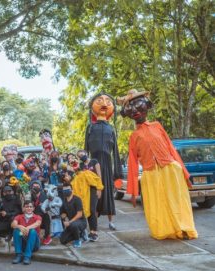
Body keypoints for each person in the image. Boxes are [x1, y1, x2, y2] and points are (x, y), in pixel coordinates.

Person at [118, 89, 198, 240]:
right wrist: (133, 192)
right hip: (151, 175)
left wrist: (185, 173)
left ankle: (184, 228)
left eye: (138, 105)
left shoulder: (157, 126)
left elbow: (171, 149)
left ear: (147, 105)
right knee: (157, 205)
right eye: (130, 107)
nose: (135, 110)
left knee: (178, 201)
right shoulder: (134, 136)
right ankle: (164, 231)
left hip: (170, 170)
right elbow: (133, 164)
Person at [84, 93, 123, 230]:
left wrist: (117, 172)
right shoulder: (90, 127)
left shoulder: (111, 128)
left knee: (108, 193)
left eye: (107, 101)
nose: (104, 103)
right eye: (99, 101)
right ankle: (93, 221)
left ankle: (111, 221)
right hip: (93, 166)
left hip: (107, 165)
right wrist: (83, 167)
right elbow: (85, 149)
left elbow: (116, 151)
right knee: (94, 193)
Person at [76, 149, 103, 242]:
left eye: (81, 154)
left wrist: (99, 189)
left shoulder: (94, 161)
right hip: (85, 190)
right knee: (87, 209)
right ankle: (91, 231)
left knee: (92, 209)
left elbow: (99, 176)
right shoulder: (81, 165)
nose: (81, 157)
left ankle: (94, 232)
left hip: (94, 188)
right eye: (79, 156)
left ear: (86, 153)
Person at [11, 200, 42, 265]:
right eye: (27, 207)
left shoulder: (38, 217)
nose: (29, 208)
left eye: (31, 207)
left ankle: (27, 257)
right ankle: (19, 255)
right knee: (16, 230)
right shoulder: (19, 216)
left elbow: (37, 224)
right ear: (23, 208)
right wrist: (19, 226)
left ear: (33, 208)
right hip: (23, 244)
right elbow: (13, 225)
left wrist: (27, 228)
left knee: (32, 231)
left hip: (34, 245)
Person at [30, 180, 52, 245]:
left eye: (37, 186)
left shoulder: (44, 195)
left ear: (40, 187)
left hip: (42, 216)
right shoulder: (30, 195)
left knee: (46, 216)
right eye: (34, 186)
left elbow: (48, 207)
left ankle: (47, 236)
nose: (35, 187)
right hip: (33, 215)